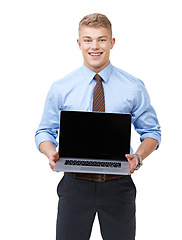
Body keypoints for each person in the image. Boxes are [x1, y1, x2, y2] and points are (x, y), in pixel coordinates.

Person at [35, 13, 161, 240]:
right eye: (88, 39)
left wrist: (138, 158)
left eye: (102, 39)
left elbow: (152, 133)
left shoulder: (133, 87)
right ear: (79, 43)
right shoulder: (62, 88)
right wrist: (50, 152)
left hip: (118, 186)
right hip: (74, 185)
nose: (95, 46)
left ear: (112, 43)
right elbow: (44, 131)